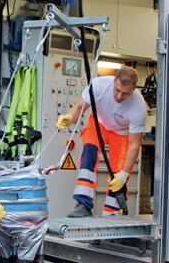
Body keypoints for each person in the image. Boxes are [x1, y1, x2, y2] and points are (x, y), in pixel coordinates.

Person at [57, 66, 146, 217]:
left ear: (133, 90)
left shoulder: (138, 106)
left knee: (118, 173)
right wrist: (70, 118)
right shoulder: (99, 85)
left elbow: (134, 145)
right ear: (114, 81)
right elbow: (80, 107)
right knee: (89, 153)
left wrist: (124, 174)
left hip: (122, 133)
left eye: (125, 93)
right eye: (117, 90)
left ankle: (112, 213)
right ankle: (83, 205)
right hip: (99, 123)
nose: (119, 96)